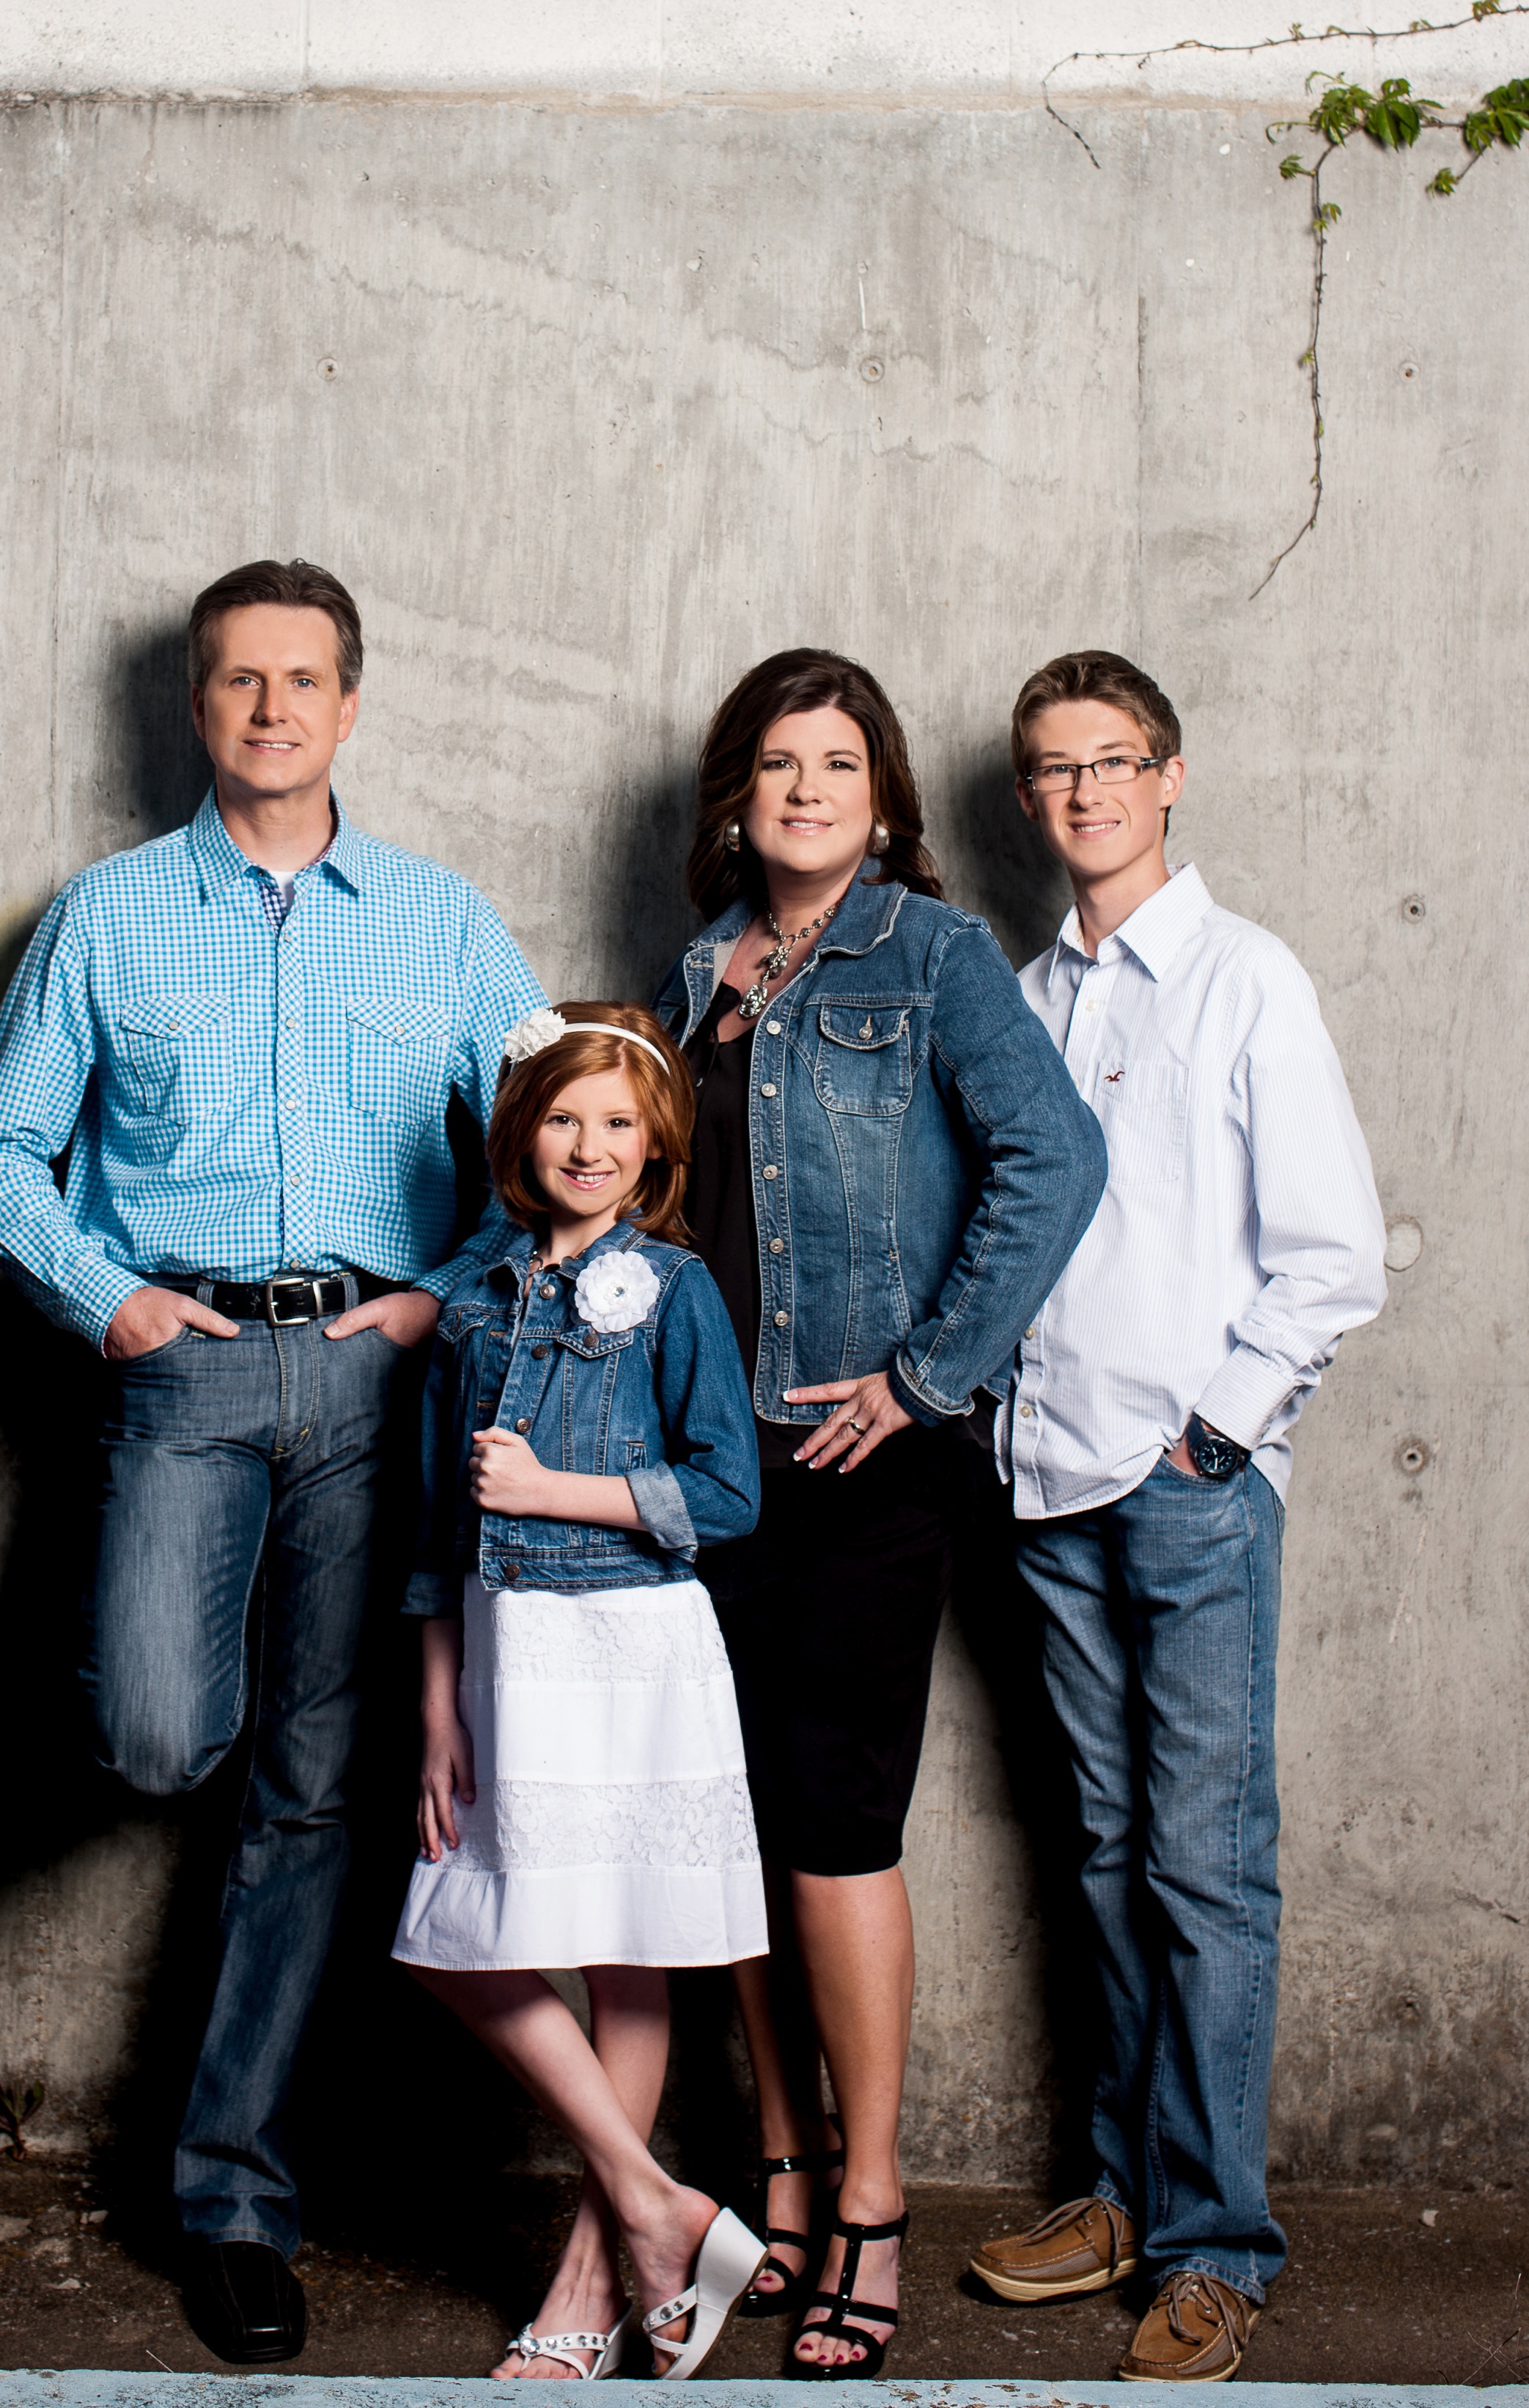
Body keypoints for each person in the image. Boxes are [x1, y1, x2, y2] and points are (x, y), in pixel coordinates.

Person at [0, 556, 545, 2368]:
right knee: (160, 1730)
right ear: (197, 704)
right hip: (188, 1371)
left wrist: (436, 1301)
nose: (274, 706)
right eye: (240, 678)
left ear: (350, 704)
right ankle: (237, 2140)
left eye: (304, 679)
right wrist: (114, 1303)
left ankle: (230, 2195)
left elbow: (557, 1152)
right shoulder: (109, 914)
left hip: (382, 1377)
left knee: (313, 1793)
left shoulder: (446, 925)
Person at [654, 647, 1107, 2381]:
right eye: (778, 760)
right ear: (736, 793)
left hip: (862, 1464)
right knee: (735, 1828)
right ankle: (777, 2159)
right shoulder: (699, 970)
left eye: (838, 761)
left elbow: (1054, 1157)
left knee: (837, 1829)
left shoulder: (933, 953)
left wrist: (928, 1374)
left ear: (885, 796)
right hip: (708, 1463)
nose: (806, 787)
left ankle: (870, 2192)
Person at [966, 651, 1385, 2384]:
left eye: (1115, 760)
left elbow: (1331, 1254)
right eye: (1057, 768)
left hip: (1186, 1484)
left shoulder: (1244, 976)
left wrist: (1213, 1436)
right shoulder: (1022, 992)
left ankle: (1219, 2245)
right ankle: (1126, 2194)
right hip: (1046, 1480)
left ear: (1170, 775)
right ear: (1028, 796)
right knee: (1108, 1855)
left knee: (1207, 1870)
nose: (1087, 792)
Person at [395, 1000, 769, 2384]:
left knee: (626, 1947)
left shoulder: (673, 1290)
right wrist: (437, 1706)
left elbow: (725, 1492)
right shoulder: (470, 1307)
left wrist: (559, 1490)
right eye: (563, 1116)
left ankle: (589, 2281)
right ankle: (658, 2203)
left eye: (617, 1121)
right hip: (508, 1653)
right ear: (521, 1132)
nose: (589, 1144)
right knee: (451, 1941)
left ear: (655, 1142)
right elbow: (435, 1532)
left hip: (635, 1649)